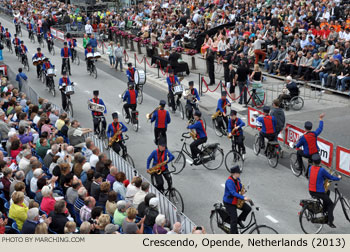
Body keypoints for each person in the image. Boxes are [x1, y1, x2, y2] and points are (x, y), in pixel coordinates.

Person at [308, 154, 341, 228]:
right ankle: (330, 221)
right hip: (318, 192)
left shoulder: (310, 168)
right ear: (320, 162)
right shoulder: (322, 170)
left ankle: (324, 210)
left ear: (313, 162)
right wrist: (339, 178)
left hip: (311, 191)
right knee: (331, 204)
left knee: (327, 192)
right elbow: (331, 177)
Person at [223, 165, 251, 234]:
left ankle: (239, 220)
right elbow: (233, 193)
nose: (240, 174)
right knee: (233, 220)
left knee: (248, 209)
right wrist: (243, 198)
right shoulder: (229, 182)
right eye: (239, 173)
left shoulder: (237, 179)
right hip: (229, 203)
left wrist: (243, 190)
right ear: (235, 173)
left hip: (236, 201)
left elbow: (240, 187)